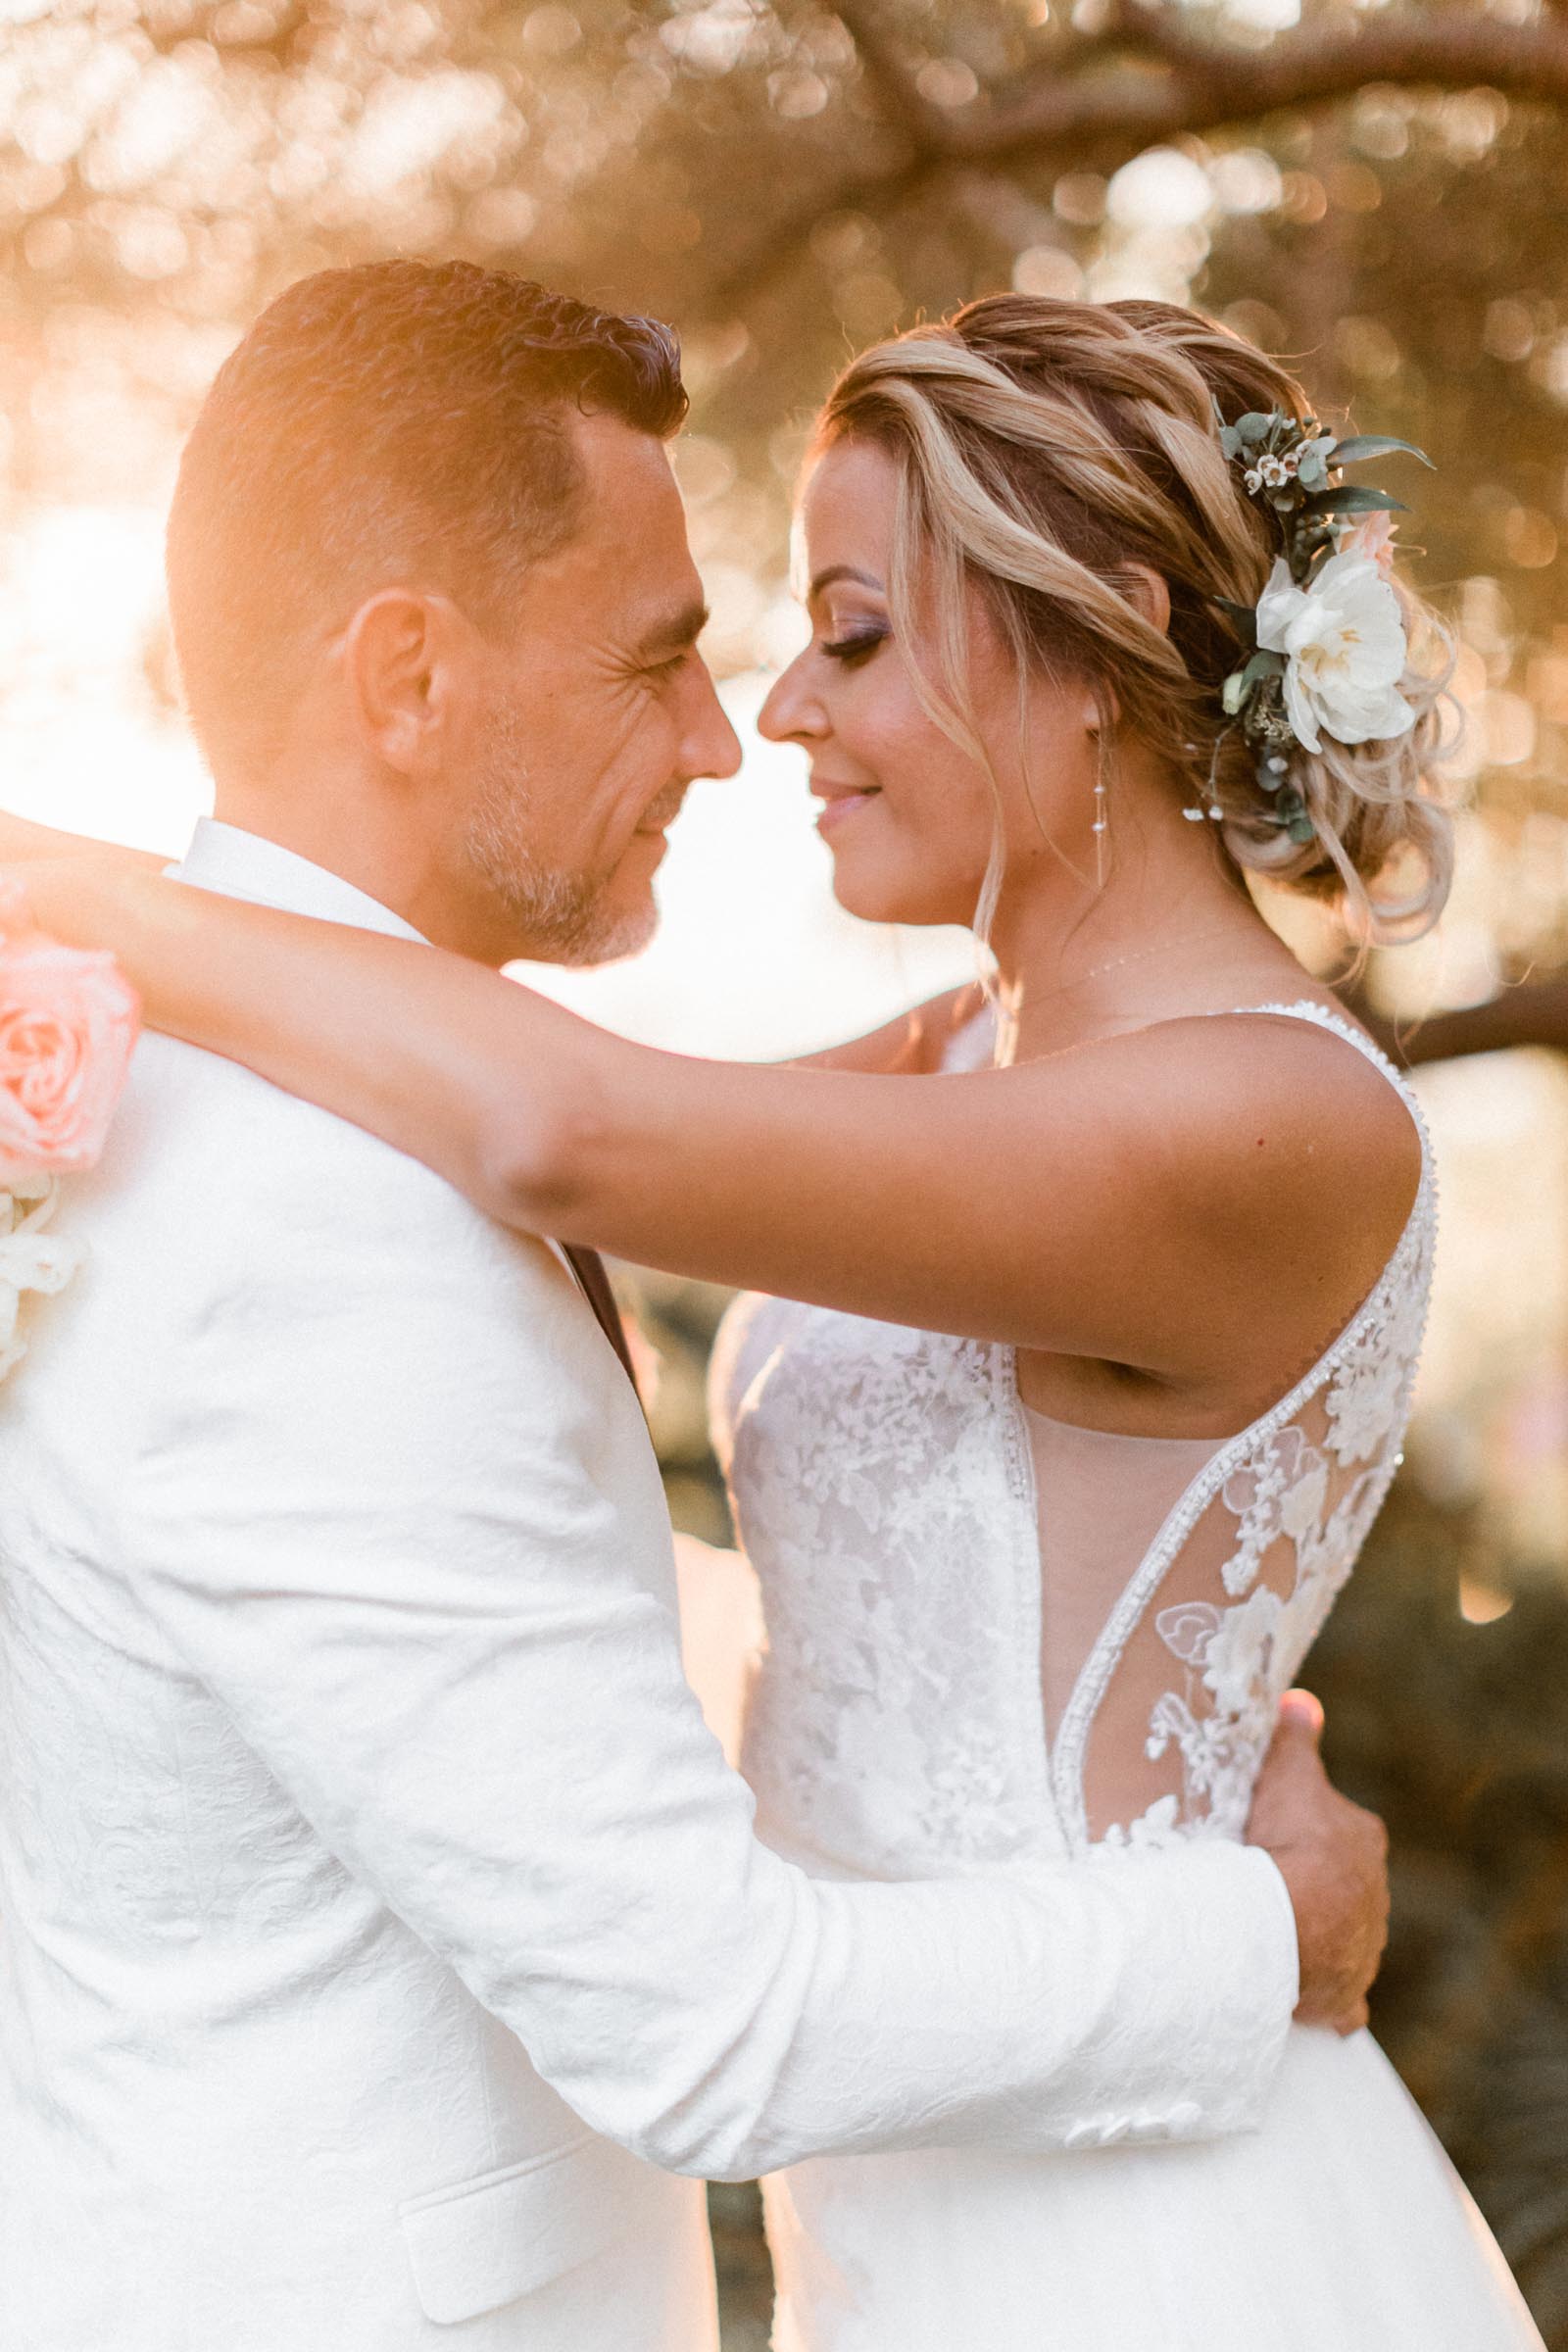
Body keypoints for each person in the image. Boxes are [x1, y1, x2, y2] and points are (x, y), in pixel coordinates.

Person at [0, 265, 1390, 2352]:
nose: (731, 733)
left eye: (839, 639)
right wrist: (1245, 1921)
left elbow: (493, 1508)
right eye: (671, 658)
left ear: (1086, 648)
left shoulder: (330, 1121)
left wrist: (117, 905)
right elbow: (692, 2002)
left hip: (1088, 2231)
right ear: (405, 682)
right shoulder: (319, 1217)